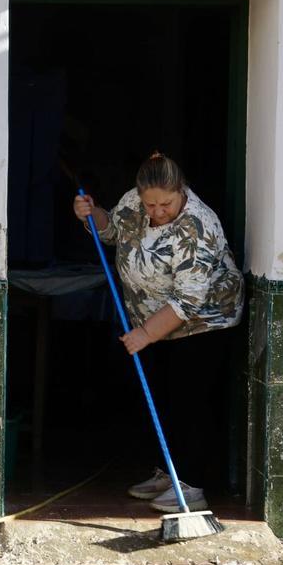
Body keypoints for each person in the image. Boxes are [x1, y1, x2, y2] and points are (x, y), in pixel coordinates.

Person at [72, 152, 244, 513]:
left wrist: (145, 334)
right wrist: (92, 214)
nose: (157, 211)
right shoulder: (135, 202)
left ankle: (192, 486)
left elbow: (188, 301)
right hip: (153, 320)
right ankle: (169, 474)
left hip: (203, 322)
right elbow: (113, 232)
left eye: (165, 204)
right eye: (151, 203)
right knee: (163, 399)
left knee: (190, 403)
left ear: (181, 191)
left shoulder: (197, 227)